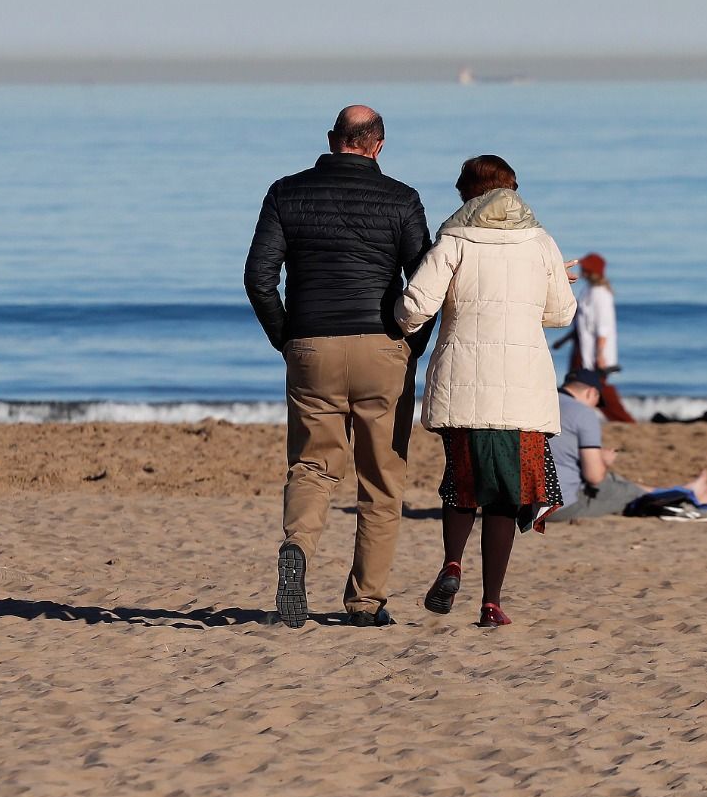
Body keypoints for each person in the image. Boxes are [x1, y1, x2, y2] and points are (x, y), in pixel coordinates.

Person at [244, 105, 433, 628]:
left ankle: (298, 547)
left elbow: (259, 277)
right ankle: (366, 602)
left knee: (312, 464)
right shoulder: (402, 199)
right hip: (381, 350)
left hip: (312, 347)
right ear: (378, 145)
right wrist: (411, 347)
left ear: (333, 139)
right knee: (380, 480)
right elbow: (426, 287)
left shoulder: (286, 192)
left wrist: (287, 338)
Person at [396, 155, 577, 627]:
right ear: (512, 189)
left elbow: (416, 307)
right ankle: (491, 602)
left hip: (462, 384)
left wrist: (391, 310)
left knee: (462, 481)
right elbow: (562, 313)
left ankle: (452, 562)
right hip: (522, 387)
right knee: (506, 494)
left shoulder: (454, 240)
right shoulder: (541, 243)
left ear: (466, 193)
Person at [544, 370, 707, 521]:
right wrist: (603, 461)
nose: (595, 407)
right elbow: (594, 477)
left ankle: (682, 490)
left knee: (616, 482)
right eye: (597, 401)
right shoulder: (583, 413)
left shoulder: (541, 405)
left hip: (526, 504)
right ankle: (685, 496)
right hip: (560, 506)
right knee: (629, 495)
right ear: (591, 393)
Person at [568, 253, 634, 422]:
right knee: (578, 384)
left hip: (593, 352)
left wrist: (600, 354)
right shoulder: (587, 290)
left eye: (585, 268)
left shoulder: (600, 294)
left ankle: (624, 420)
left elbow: (602, 327)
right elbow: (583, 323)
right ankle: (580, 418)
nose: (582, 270)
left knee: (595, 387)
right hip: (581, 347)